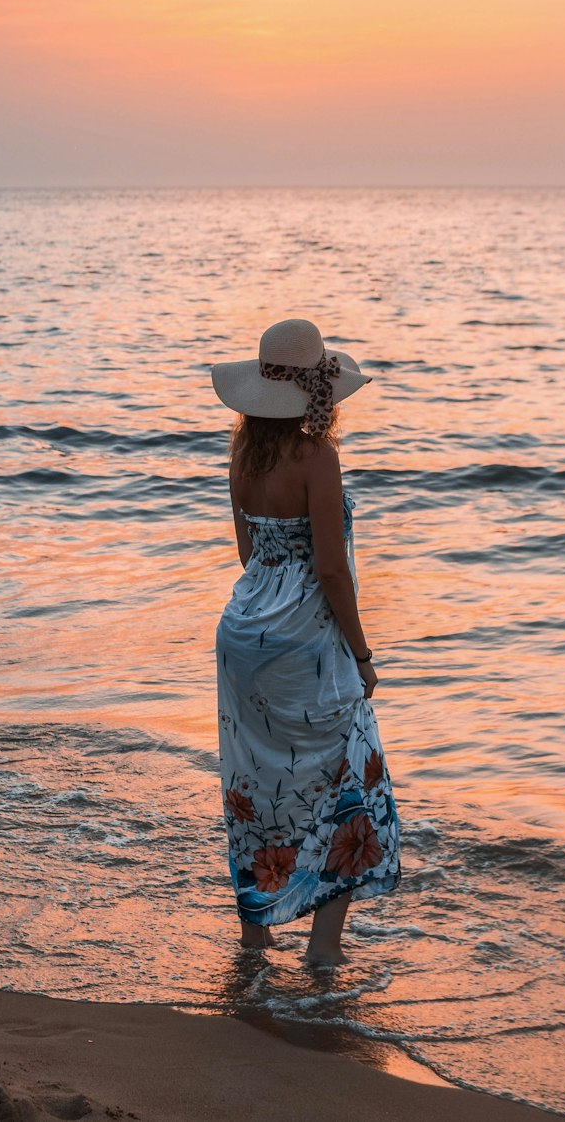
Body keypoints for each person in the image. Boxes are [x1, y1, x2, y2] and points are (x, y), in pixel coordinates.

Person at [211, 318, 401, 966]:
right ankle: (323, 949)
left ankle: (255, 935)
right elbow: (329, 569)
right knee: (349, 771)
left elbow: (248, 553)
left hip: (243, 631)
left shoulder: (241, 454)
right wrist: (363, 653)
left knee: (257, 780)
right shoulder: (317, 457)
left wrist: (269, 607)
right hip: (305, 637)